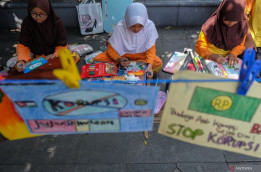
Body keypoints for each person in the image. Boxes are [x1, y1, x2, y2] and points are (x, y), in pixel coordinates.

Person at [94, 2, 163, 78]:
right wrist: (119, 59)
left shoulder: (149, 26)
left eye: (140, 26)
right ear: (127, 21)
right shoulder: (120, 27)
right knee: (98, 59)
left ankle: (127, 66)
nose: (136, 29)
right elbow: (111, 48)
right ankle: (136, 65)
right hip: (123, 54)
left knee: (158, 64)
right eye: (133, 26)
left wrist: (149, 66)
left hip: (142, 55)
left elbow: (151, 49)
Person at [15, 0, 68, 72]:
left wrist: (55, 55)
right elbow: (23, 45)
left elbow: (62, 45)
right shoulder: (27, 23)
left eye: (42, 14)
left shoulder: (57, 23)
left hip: (54, 54)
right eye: (34, 14)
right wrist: (21, 60)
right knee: (25, 70)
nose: (38, 17)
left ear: (48, 12)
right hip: (36, 55)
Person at [195, 0, 248, 66]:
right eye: (227, 19)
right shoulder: (211, 25)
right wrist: (210, 55)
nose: (230, 23)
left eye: (235, 21)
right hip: (208, 57)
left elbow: (241, 45)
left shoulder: (241, 26)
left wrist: (233, 53)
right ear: (221, 14)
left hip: (227, 60)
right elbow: (200, 45)